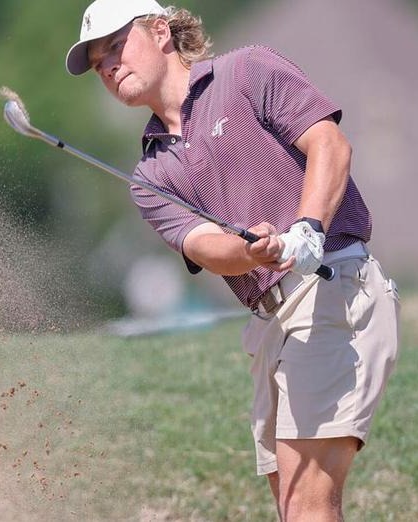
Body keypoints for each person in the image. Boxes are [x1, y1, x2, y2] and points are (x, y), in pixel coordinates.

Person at [65, 0, 400, 520]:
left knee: (308, 504)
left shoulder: (247, 71)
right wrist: (248, 251)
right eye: (97, 62)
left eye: (115, 46)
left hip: (332, 286)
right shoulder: (150, 176)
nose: (108, 66)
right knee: (294, 507)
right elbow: (204, 246)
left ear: (159, 32)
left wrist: (307, 228)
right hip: (269, 324)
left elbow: (330, 145)